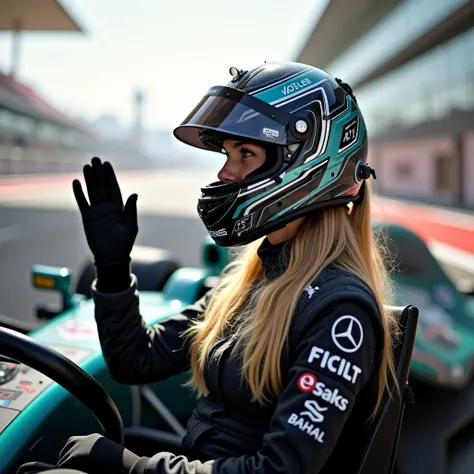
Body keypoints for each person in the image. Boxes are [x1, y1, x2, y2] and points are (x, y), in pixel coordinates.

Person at [19, 61, 399, 474]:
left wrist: (132, 468)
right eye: (227, 153)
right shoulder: (250, 282)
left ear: (307, 165)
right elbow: (135, 360)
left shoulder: (340, 311)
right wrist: (112, 268)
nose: (225, 171)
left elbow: (280, 470)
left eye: (246, 153)